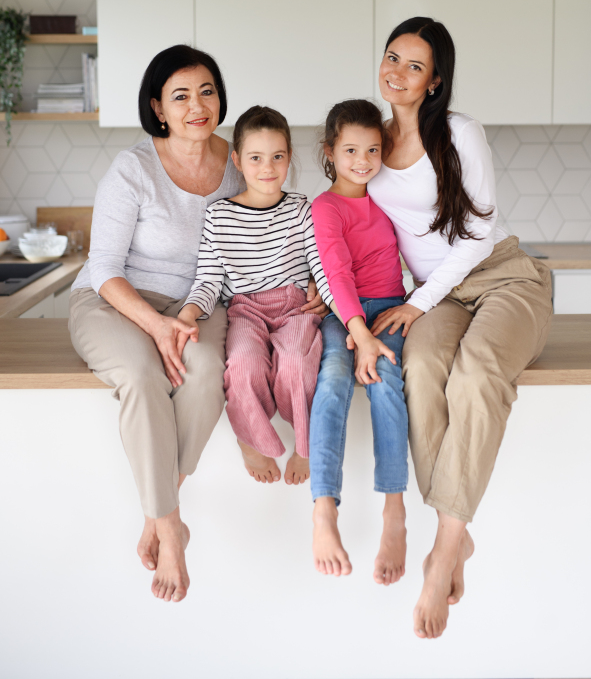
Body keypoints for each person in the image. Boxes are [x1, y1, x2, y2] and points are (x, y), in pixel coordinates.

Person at [69, 45, 328, 604]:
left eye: (206, 91)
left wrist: (312, 278)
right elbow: (105, 268)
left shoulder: (241, 161)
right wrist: (157, 327)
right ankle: (169, 527)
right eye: (180, 95)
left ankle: (160, 509)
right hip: (116, 300)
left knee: (208, 371)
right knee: (141, 376)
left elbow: (277, 231)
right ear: (158, 108)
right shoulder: (132, 169)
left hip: (199, 303)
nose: (196, 105)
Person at [365, 17, 553, 639]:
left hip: (501, 276)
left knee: (475, 375)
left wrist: (418, 303)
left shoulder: (458, 132)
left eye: (414, 65)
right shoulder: (369, 139)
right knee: (418, 369)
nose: (397, 72)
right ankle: (459, 532)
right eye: (392, 57)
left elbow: (475, 234)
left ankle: (445, 546)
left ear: (435, 79)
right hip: (435, 296)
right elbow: (342, 217)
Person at [178, 105, 332, 487]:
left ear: (289, 158)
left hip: (296, 307)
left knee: (296, 362)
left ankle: (305, 443)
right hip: (245, 311)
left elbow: (322, 264)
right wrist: (189, 312)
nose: (268, 167)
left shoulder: (301, 209)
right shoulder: (219, 216)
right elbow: (209, 280)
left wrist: (327, 298)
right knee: (243, 366)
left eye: (278, 156)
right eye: (256, 158)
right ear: (238, 161)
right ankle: (250, 439)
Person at [309, 99, 409, 587]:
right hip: (344, 314)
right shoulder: (325, 207)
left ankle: (395, 510)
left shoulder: (389, 196)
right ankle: (324, 508)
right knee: (332, 381)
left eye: (372, 149)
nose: (363, 160)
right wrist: (359, 333)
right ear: (330, 151)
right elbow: (335, 271)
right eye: (350, 150)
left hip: (391, 307)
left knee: (389, 382)